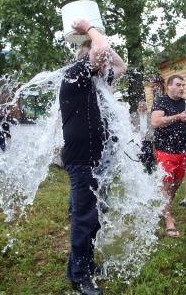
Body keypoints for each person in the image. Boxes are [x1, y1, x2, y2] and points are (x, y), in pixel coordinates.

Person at [59, 18, 126, 295]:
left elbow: (121, 67)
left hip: (97, 158)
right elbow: (100, 51)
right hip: (81, 159)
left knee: (93, 216)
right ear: (85, 56)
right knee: (84, 217)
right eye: (98, 56)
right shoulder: (75, 74)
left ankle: (82, 262)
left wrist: (101, 44)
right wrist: (89, 29)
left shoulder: (96, 82)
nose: (104, 61)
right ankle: (79, 276)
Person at [151, 75, 186, 238]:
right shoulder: (161, 101)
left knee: (176, 184)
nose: (182, 88)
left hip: (181, 150)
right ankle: (169, 220)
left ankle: (164, 208)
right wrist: (177, 117)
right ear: (169, 86)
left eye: (183, 85)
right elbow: (155, 122)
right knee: (166, 186)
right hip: (164, 150)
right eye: (179, 85)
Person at [130, 100, 155, 174]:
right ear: (138, 106)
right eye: (140, 105)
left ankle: (149, 170)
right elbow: (128, 123)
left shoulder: (150, 115)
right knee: (140, 155)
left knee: (149, 154)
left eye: (143, 104)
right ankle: (140, 171)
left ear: (146, 106)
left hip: (148, 138)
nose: (141, 106)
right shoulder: (133, 115)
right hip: (138, 139)